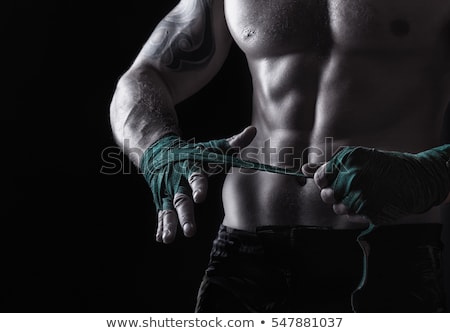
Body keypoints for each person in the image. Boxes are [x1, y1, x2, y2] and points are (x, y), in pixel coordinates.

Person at [110, 0, 450, 312]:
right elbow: (144, 76)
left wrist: (430, 173)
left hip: (390, 256)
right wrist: (158, 147)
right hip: (247, 256)